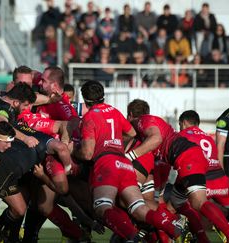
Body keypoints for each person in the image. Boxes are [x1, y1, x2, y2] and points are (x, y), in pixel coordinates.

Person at [74, 80, 187, 242]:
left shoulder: (90, 117)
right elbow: (132, 132)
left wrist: (75, 150)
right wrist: (116, 142)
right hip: (124, 163)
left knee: (102, 207)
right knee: (138, 208)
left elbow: (87, 153)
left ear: (85, 100)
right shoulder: (114, 111)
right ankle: (173, 228)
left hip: (107, 163)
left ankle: (131, 237)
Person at [127, 99, 229, 243]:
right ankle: (196, 236)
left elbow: (156, 139)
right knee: (172, 206)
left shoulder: (142, 121)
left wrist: (128, 157)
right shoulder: (148, 128)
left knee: (198, 202)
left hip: (186, 157)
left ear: (130, 115)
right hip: (188, 158)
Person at [179, 110, 229, 243]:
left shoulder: (182, 135)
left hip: (202, 179)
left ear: (184, 122)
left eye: (180, 124)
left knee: (188, 206)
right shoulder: (208, 137)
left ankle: (200, 236)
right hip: (220, 178)